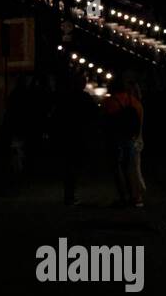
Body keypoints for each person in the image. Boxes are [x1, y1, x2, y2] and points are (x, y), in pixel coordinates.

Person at [54, 66, 97, 205]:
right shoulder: (85, 98)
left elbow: (58, 115)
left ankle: (69, 194)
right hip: (79, 135)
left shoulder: (65, 97)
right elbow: (94, 116)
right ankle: (70, 195)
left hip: (67, 135)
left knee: (68, 165)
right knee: (73, 166)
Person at [103, 73, 145, 207]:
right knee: (130, 168)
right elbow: (140, 122)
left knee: (117, 167)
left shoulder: (110, 102)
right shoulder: (135, 102)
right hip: (131, 138)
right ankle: (134, 196)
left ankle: (123, 197)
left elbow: (105, 122)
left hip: (115, 138)